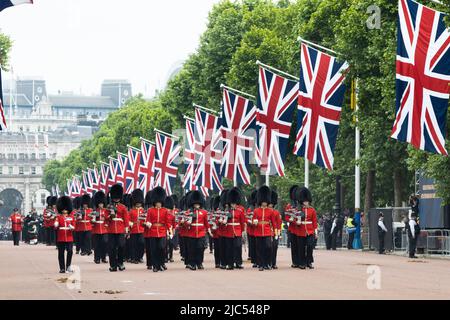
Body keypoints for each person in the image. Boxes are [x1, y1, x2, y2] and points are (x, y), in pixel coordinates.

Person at [144, 187, 172, 272]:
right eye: (157, 202)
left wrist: (170, 232)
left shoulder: (165, 211)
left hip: (162, 231)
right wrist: (148, 223)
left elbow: (168, 222)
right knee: (154, 249)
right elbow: (148, 220)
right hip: (153, 231)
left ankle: (161, 263)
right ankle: (155, 266)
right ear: (155, 202)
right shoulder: (150, 210)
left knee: (161, 248)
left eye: (160, 202)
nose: (158, 204)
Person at [184, 190, 210, 271]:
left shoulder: (204, 212)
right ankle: (192, 264)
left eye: (198, 204)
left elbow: (206, 223)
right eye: (195, 204)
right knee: (192, 249)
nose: (197, 205)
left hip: (201, 233)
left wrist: (209, 230)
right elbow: (185, 223)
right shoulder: (189, 212)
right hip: (191, 233)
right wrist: (188, 222)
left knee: (200, 248)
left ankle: (199, 263)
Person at [252, 186, 277, 271]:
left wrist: (275, 232)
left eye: (265, 201)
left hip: (267, 231)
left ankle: (267, 263)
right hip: (258, 231)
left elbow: (273, 222)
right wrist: (254, 222)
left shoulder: (271, 211)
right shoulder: (256, 211)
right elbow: (253, 220)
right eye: (263, 201)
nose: (264, 203)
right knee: (259, 248)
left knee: (268, 247)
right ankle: (261, 264)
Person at [106, 184, 129, 272]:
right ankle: (113, 265)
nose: (116, 198)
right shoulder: (108, 207)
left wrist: (127, 229)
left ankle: (120, 262)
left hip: (120, 229)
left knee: (121, 246)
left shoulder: (123, 207)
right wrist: (110, 216)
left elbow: (126, 219)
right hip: (111, 229)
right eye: (115, 197)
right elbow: (105, 218)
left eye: (117, 197)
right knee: (111, 248)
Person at [221, 187, 246, 270]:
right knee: (229, 248)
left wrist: (243, 231)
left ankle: (238, 262)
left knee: (238, 247)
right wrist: (224, 221)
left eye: (234, 203)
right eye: (232, 203)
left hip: (238, 231)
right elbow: (223, 222)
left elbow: (242, 222)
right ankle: (230, 264)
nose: (233, 205)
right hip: (229, 231)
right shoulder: (227, 211)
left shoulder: (240, 211)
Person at [296, 187, 318, 270]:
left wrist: (315, 232)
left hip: (310, 230)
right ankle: (302, 263)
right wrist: (297, 222)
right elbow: (295, 219)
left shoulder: (312, 210)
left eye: (307, 201)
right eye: (304, 201)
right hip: (301, 230)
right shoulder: (299, 210)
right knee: (301, 247)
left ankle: (309, 262)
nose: (306, 202)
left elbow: (314, 222)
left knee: (310, 246)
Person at [54, 196, 75, 274]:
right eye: (63, 208)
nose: (65, 210)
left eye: (66, 208)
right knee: (61, 252)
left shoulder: (71, 217)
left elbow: (74, 226)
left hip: (69, 237)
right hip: (61, 236)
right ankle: (62, 268)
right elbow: (56, 225)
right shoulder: (58, 217)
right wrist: (56, 224)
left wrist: (71, 227)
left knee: (70, 251)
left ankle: (68, 267)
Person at [284, 185, 300, 268]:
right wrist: (293, 220)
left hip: (301, 229)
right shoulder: (289, 206)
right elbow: (287, 217)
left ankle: (301, 261)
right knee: (294, 246)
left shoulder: (301, 205)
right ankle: (295, 262)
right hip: (293, 228)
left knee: (301, 246)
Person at [91, 191, 109, 264]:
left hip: (104, 229)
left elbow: (108, 219)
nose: (100, 205)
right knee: (97, 245)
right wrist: (93, 219)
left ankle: (103, 257)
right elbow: (91, 221)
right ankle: (97, 258)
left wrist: (105, 220)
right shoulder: (95, 211)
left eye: (101, 203)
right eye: (99, 203)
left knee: (104, 243)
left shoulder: (106, 211)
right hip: (96, 229)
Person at [129, 189, 145, 264]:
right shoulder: (132, 211)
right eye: (137, 203)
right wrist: (130, 225)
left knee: (141, 243)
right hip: (134, 229)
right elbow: (128, 220)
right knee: (134, 244)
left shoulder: (144, 211)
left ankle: (140, 257)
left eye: (139, 203)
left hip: (142, 229)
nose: (138, 204)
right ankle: (134, 258)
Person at [269, 191, 282, 270]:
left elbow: (278, 223)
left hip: (274, 232)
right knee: (267, 248)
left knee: (274, 248)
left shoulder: (276, 212)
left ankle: (273, 263)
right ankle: (267, 262)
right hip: (266, 232)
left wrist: (278, 234)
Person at [246, 190, 257, 267]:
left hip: (258, 229)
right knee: (252, 244)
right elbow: (246, 218)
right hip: (251, 229)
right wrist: (250, 222)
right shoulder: (250, 209)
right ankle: (253, 256)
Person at [165, 196, 177, 263]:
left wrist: (173, 230)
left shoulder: (172, 215)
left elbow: (174, 224)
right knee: (165, 244)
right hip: (165, 230)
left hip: (170, 230)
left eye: (169, 208)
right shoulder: (164, 214)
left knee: (171, 244)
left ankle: (171, 256)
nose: (168, 210)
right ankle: (165, 257)